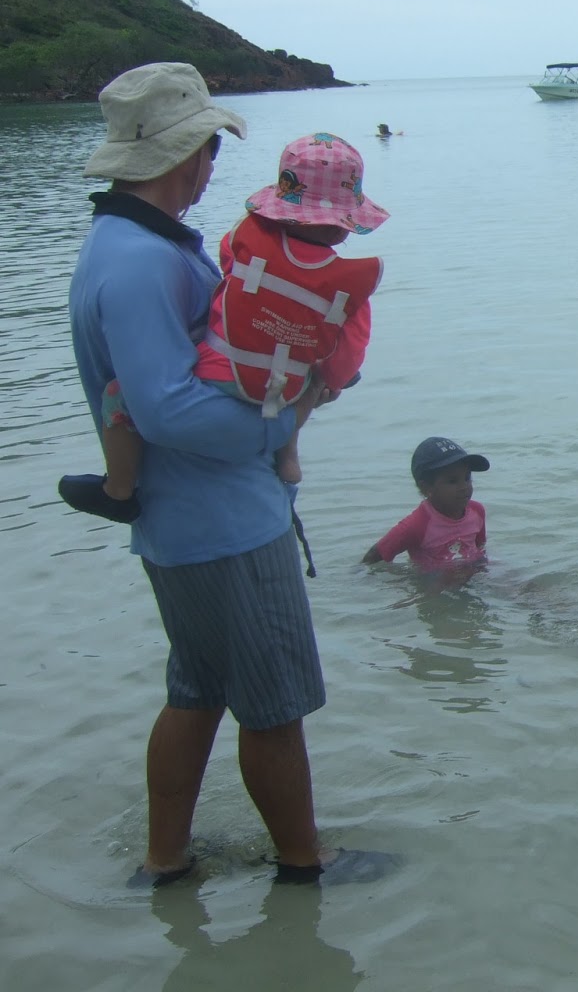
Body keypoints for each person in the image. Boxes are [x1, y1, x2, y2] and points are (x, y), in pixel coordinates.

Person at [66, 62, 389, 888]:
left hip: (181, 522)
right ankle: (304, 862)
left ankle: (166, 861)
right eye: (209, 151)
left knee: (199, 687)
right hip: (224, 525)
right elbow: (172, 410)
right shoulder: (141, 261)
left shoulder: (128, 243)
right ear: (190, 157)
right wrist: (287, 419)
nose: (212, 168)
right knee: (274, 703)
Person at [60, 133, 386, 522]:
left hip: (219, 374)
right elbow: (341, 363)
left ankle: (118, 489)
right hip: (286, 395)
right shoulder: (350, 288)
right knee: (309, 376)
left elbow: (229, 283)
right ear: (343, 227)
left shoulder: (243, 240)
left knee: (116, 396)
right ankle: (288, 457)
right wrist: (322, 383)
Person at [363, 437, 490, 575]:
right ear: (426, 487)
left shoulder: (477, 511)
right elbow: (375, 555)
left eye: (467, 478)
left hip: (470, 573)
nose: (464, 487)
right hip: (435, 585)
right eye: (452, 481)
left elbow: (480, 548)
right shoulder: (417, 525)